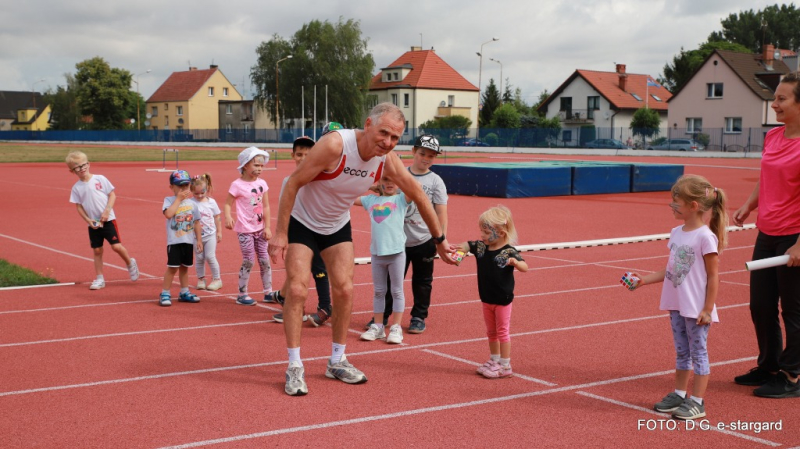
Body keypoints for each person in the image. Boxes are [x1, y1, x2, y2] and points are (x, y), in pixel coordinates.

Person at [268, 102, 455, 396]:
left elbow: (418, 194)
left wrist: (440, 240)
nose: (388, 142)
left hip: (336, 225)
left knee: (344, 289)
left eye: (395, 138)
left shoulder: (387, 160)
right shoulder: (334, 145)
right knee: (298, 288)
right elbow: (292, 183)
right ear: (368, 125)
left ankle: (337, 360)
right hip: (302, 220)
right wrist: (280, 233)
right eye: (383, 133)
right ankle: (294, 365)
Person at [624, 174, 728, 419]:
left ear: (693, 206)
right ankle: (680, 394)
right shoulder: (676, 232)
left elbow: (713, 276)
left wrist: (707, 308)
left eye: (676, 203)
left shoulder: (705, 237)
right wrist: (643, 281)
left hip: (696, 308)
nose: (672, 206)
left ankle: (697, 402)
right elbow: (671, 269)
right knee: (682, 352)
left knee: (699, 353)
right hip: (676, 305)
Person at [732, 72, 800, 399]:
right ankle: (769, 365)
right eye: (775, 98)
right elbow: (765, 177)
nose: (774, 104)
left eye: (782, 99)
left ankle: (792, 375)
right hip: (767, 231)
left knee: (793, 310)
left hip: (794, 237)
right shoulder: (773, 137)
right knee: (760, 305)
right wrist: (748, 205)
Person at [369, 134, 448, 334]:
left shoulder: (436, 181)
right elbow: (384, 196)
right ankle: (383, 315)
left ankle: (418, 317)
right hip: (396, 241)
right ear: (413, 152)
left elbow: (441, 211)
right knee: (390, 281)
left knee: (422, 282)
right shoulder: (399, 175)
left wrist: (441, 239)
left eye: (431, 156)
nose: (426, 159)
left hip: (424, 240)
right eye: (422, 153)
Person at [450, 206, 527, 379]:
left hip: (502, 299)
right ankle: (494, 360)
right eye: (481, 231)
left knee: (502, 331)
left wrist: (515, 262)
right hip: (486, 298)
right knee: (491, 332)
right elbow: (466, 245)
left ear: (500, 233)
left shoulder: (508, 251)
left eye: (485, 231)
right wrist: (458, 253)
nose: (482, 235)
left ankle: (505, 365)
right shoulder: (481, 248)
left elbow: (525, 267)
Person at [267, 135, 332, 327]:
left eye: (307, 154)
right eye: (299, 154)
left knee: (319, 269)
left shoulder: (322, 178)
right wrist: (283, 234)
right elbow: (284, 207)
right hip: (298, 232)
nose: (303, 158)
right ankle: (290, 303)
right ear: (292, 155)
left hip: (319, 230)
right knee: (296, 269)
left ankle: (325, 306)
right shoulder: (289, 181)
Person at [66, 151, 139, 290]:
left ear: (88, 164)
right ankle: (99, 278)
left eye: (83, 165)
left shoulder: (100, 179)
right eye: (77, 167)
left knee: (116, 246)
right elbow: (79, 206)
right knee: (97, 250)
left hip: (109, 220)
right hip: (93, 223)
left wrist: (107, 211)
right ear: (72, 171)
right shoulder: (76, 188)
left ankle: (130, 263)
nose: (82, 168)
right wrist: (88, 220)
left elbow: (112, 195)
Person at [357, 175, 411, 344]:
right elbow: (349, 196)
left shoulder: (401, 199)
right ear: (379, 182)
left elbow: (412, 189)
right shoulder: (371, 200)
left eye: (393, 180)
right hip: (377, 253)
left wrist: (400, 180)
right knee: (379, 291)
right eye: (385, 180)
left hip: (396, 254)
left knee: (396, 291)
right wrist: (370, 185)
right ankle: (378, 326)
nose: (390, 183)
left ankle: (396, 327)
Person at [224, 147, 273, 306]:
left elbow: (265, 206)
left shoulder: (263, 183)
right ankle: (242, 293)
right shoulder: (236, 185)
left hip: (260, 229)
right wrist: (228, 217)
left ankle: (268, 292)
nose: (259, 169)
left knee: (265, 260)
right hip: (245, 230)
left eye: (261, 166)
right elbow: (227, 204)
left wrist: (267, 227)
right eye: (256, 165)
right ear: (245, 165)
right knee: (249, 260)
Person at [160, 170, 203, 306]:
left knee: (185, 267)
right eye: (180, 186)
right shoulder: (169, 200)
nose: (184, 189)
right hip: (175, 241)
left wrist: (199, 240)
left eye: (186, 186)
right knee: (172, 268)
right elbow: (168, 214)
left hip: (188, 241)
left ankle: (184, 292)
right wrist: (178, 199)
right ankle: (165, 292)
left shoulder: (193, 204)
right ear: (172, 187)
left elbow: (196, 222)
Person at [191, 173, 223, 291]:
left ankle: (217, 279)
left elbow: (217, 217)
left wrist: (219, 232)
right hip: (195, 237)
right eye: (196, 193)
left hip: (210, 235)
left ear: (207, 189)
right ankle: (201, 278)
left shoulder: (211, 202)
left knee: (210, 256)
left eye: (202, 192)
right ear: (191, 191)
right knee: (199, 258)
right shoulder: (191, 203)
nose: (199, 195)